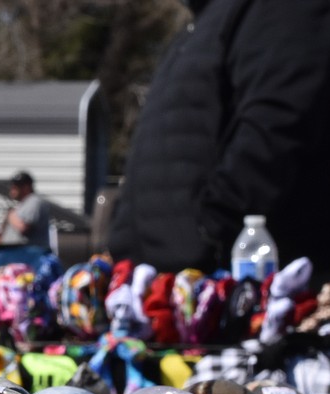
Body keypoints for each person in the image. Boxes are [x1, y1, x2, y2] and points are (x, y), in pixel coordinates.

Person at [107, 0, 330, 283]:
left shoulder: (284, 9)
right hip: (159, 284)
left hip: (233, 289)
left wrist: (209, 234)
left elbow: (277, 126)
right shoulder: (205, 22)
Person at [0, 171, 51, 249]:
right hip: (13, 254)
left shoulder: (34, 201)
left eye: (15, 187)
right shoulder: (22, 205)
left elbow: (23, 227)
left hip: (27, 254)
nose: (12, 189)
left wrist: (11, 215)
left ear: (26, 187)